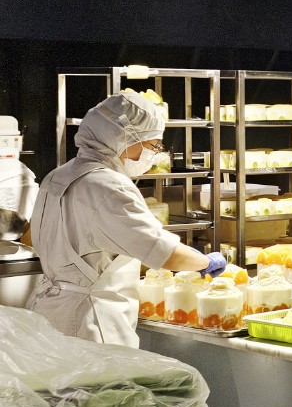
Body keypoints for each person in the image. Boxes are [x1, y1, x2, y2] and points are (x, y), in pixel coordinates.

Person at [27, 92, 226, 347]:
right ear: (126, 138)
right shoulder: (108, 186)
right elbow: (163, 252)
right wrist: (205, 262)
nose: (153, 155)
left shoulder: (57, 176)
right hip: (90, 323)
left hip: (49, 314)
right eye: (153, 146)